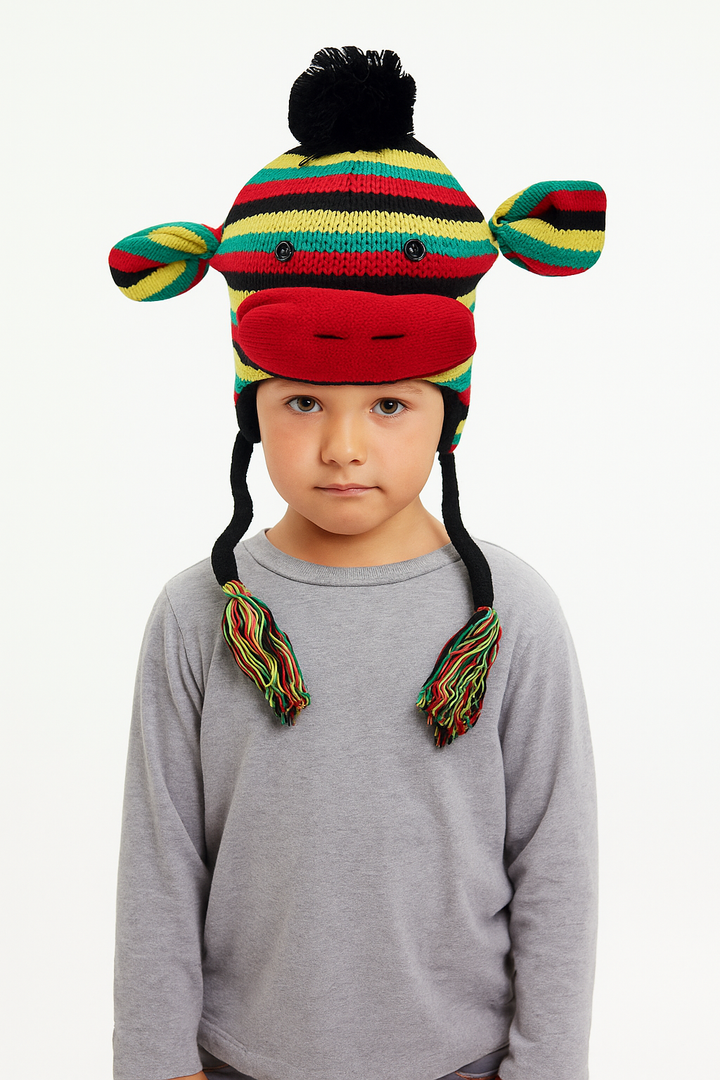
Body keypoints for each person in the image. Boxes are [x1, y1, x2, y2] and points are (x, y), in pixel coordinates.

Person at [110, 47, 605, 1080]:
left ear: (449, 411)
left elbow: (554, 866)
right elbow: (160, 869)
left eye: (389, 403)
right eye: (301, 402)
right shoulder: (200, 613)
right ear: (251, 409)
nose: (343, 446)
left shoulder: (513, 612)